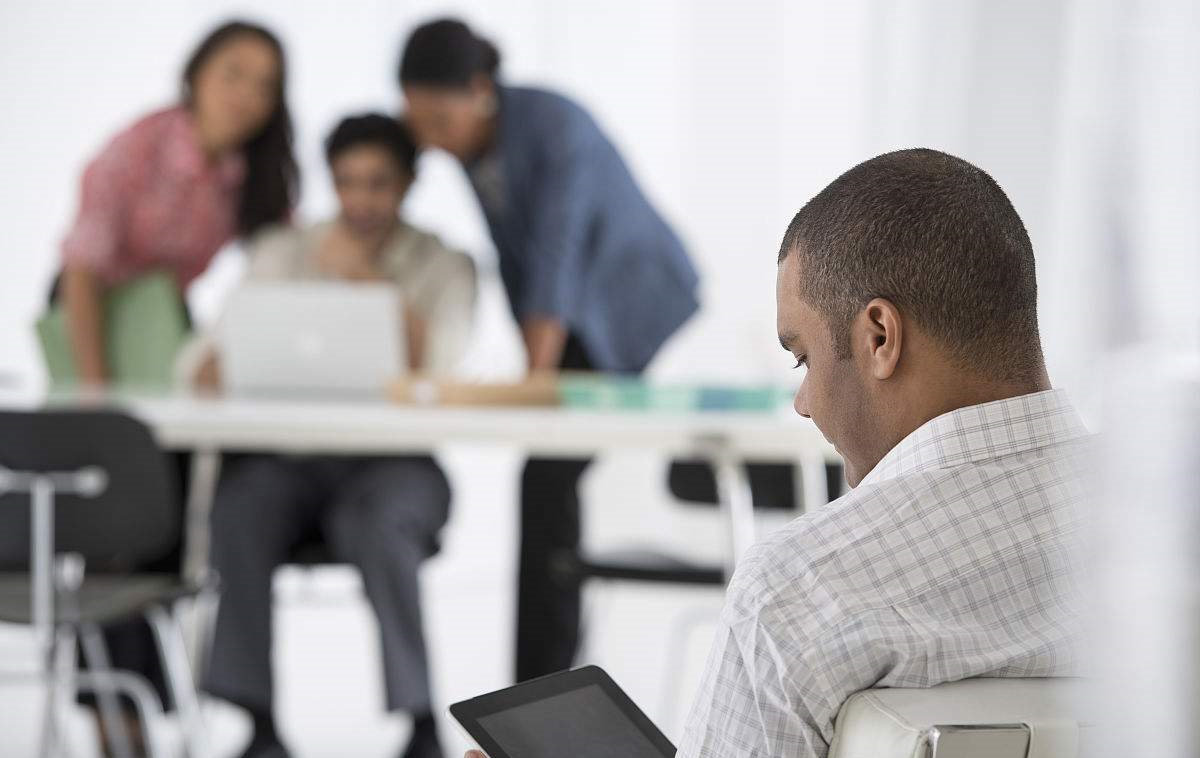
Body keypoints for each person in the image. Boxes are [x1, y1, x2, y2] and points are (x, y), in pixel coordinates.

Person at [467, 148, 1088, 758]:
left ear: (880, 337)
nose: (804, 403)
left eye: (803, 358)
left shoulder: (805, 587)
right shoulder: (1149, 520)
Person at [398, 18, 701, 682]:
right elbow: (517, 260)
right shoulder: (473, 145)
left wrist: (536, 378)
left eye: (440, 119)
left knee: (546, 475)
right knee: (548, 483)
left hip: (632, 296)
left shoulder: (555, 125)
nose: (433, 138)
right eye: (420, 122)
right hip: (575, 310)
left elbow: (556, 255)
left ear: (480, 90)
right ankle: (542, 687)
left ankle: (540, 689)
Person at [53, 20, 296, 753]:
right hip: (93, 318)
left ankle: (147, 707)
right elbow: (81, 270)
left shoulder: (255, 171)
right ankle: (113, 722)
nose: (247, 95)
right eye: (233, 74)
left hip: (167, 323)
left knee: (166, 526)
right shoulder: (139, 148)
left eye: (265, 84)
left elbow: (278, 271)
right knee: (111, 530)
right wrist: (98, 396)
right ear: (196, 74)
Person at [199, 114, 474, 758]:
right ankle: (258, 724)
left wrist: (366, 282)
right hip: (290, 462)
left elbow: (440, 369)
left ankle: (420, 723)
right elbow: (206, 362)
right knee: (237, 508)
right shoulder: (284, 251)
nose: (361, 200)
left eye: (379, 183)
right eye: (347, 182)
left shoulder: (444, 264)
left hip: (394, 465)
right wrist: (235, 354)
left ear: (408, 184)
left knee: (382, 524)